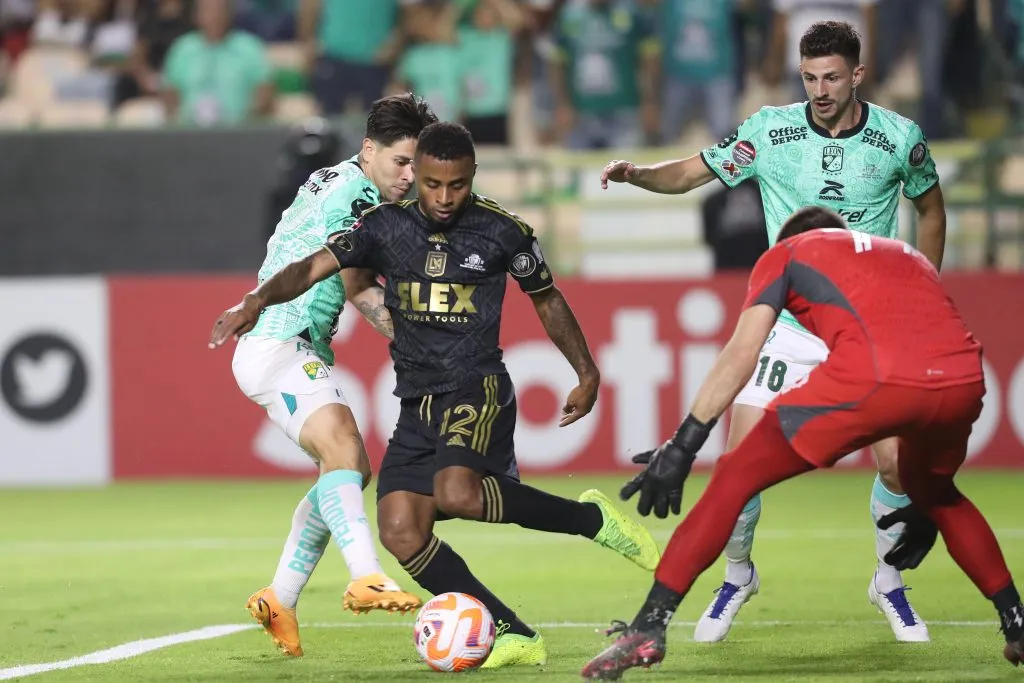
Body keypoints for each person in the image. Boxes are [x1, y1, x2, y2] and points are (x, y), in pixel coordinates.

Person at [209, 121, 661, 669]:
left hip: (476, 385)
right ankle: (515, 633)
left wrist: (586, 372)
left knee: (458, 493)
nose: (445, 198)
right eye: (431, 184)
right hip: (415, 401)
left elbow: (547, 297)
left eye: (458, 185)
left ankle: (594, 522)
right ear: (416, 175)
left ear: (473, 177)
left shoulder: (502, 230)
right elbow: (312, 267)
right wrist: (255, 300)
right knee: (401, 531)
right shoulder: (380, 225)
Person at [600, 19, 946, 643]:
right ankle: (736, 574)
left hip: (869, 325)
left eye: (832, 77)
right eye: (810, 77)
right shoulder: (770, 131)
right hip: (789, 322)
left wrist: (925, 287)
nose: (820, 89)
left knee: (897, 464)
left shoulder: (900, 139)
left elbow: (930, 206)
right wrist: (638, 174)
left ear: (858, 75)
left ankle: (890, 583)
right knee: (740, 462)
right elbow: (693, 172)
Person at [581, 206, 1024, 680]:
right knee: (938, 494)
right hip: (963, 379)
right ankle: (1016, 624)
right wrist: (923, 496)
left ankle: (649, 626)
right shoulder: (905, 254)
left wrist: (686, 442)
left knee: (736, 473)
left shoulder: (786, 254)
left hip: (873, 377)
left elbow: (742, 352)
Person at [207, 93, 438, 658]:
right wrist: (430, 342)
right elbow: (358, 286)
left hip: (289, 343)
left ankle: (279, 597)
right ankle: (364, 574)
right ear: (368, 150)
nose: (409, 177)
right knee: (344, 449)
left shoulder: (339, 179)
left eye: (417, 166)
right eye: (401, 163)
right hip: (277, 341)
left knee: (349, 466)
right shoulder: (354, 194)